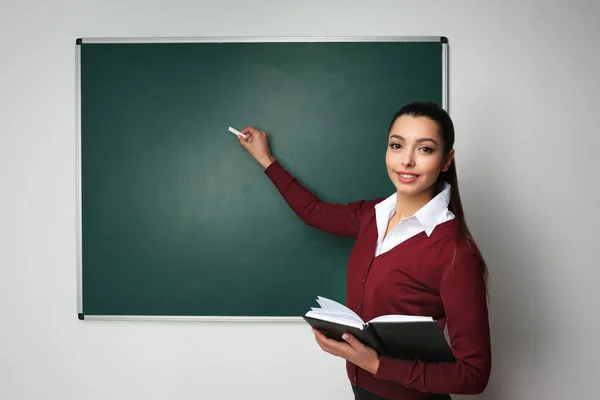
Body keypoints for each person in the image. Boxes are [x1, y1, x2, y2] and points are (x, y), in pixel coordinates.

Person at [237, 102, 491, 400]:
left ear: (446, 160)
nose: (406, 160)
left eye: (424, 149)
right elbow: (313, 212)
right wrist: (266, 159)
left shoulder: (455, 252)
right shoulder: (371, 215)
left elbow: (474, 375)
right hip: (362, 392)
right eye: (397, 145)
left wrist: (376, 364)